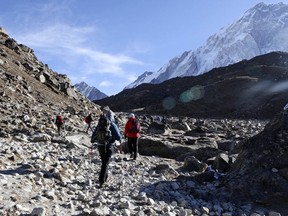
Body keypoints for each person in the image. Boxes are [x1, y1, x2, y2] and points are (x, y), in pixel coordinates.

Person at [91, 113, 122, 188]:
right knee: (105, 163)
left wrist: (94, 141)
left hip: (100, 146)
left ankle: (105, 177)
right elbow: (118, 137)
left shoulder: (99, 125)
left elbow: (93, 137)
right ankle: (101, 180)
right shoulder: (112, 124)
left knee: (104, 162)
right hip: (109, 146)